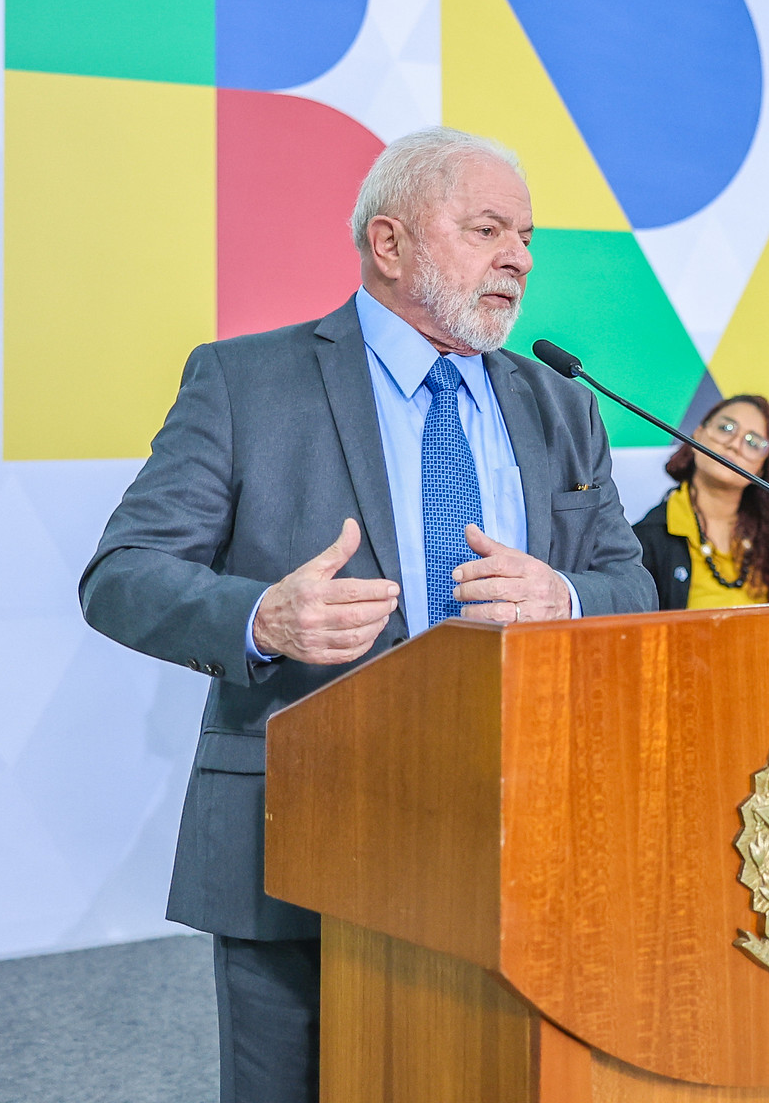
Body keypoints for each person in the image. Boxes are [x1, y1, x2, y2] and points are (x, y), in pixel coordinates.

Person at [78, 128, 656, 1103]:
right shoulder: (244, 381)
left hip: (520, 825)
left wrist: (559, 595)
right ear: (387, 244)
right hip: (305, 823)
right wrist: (262, 616)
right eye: (485, 228)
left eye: (525, 236)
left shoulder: (562, 405)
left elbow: (626, 583)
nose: (516, 256)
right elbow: (121, 574)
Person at [635, 395, 769, 610]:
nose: (734, 445)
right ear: (698, 434)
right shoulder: (646, 539)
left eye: (753, 442)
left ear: (762, 468)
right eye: (726, 428)